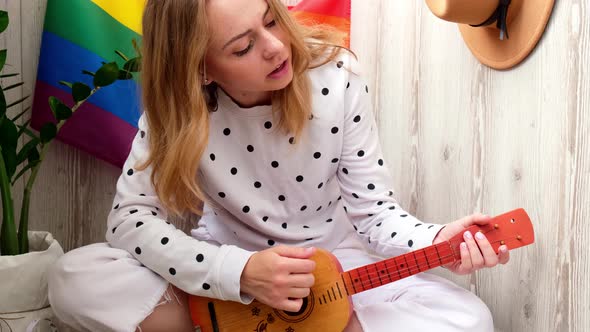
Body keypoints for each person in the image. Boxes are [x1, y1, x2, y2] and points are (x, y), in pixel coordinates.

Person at [47, 0, 510, 331]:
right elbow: (128, 221)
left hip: (337, 271)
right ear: (202, 69)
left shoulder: (336, 79)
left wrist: (436, 239)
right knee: (74, 276)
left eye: (271, 19)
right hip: (223, 273)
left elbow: (375, 215)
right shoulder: (179, 112)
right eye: (243, 47)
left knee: (468, 319)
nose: (275, 47)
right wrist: (240, 274)